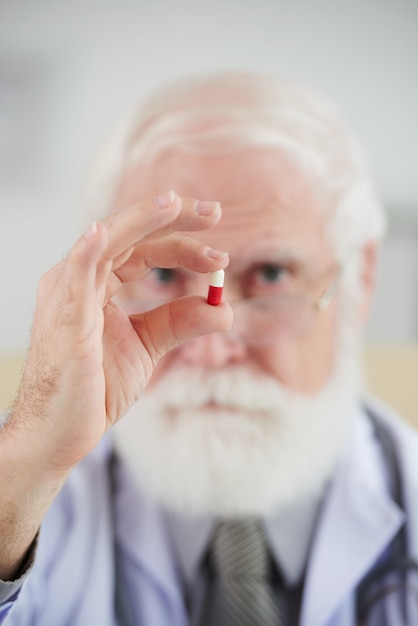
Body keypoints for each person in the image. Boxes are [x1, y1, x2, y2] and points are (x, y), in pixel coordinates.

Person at [0, 71, 417, 626]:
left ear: (360, 281)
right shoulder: (27, 493)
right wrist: (26, 466)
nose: (212, 348)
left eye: (271, 273)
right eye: (164, 272)